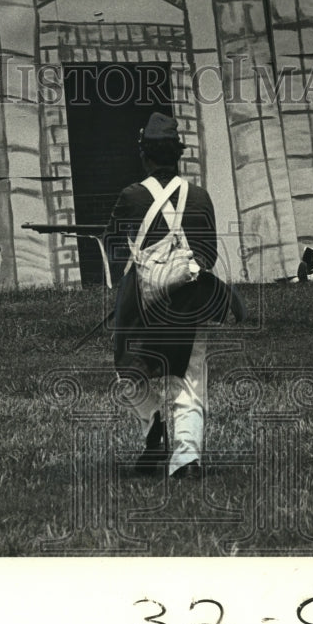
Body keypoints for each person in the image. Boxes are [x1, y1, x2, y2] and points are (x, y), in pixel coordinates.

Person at [103, 112, 242, 480]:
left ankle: (154, 426)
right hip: (189, 299)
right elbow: (208, 254)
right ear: (177, 155)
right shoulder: (199, 196)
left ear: (145, 155)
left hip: (140, 302)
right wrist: (180, 269)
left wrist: (147, 270)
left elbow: (113, 245)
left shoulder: (130, 196)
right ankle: (185, 460)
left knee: (129, 371)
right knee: (190, 377)